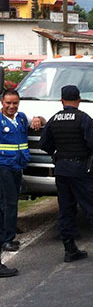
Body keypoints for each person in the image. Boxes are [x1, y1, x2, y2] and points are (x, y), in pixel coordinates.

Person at [39, 85, 93, 263]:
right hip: (81, 170)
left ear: (62, 100)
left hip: (61, 170)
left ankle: (70, 249)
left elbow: (44, 144)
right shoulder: (83, 118)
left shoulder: (54, 119)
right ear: (79, 99)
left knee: (66, 209)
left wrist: (59, 153)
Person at [0, 90, 44, 278]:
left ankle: (8, 234)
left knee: (11, 202)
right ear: (2, 102)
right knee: (8, 203)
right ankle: (7, 239)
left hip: (17, 166)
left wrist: (38, 119)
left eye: (15, 103)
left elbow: (43, 120)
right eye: (8, 103)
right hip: (3, 166)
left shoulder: (21, 119)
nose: (12, 106)